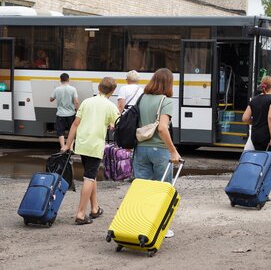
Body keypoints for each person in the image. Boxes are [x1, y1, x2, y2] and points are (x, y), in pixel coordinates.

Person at [61, 77, 120, 225]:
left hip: (82, 143)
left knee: (91, 175)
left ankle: (95, 208)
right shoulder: (110, 106)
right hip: (95, 145)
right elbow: (118, 125)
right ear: (112, 91)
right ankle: (80, 214)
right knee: (89, 177)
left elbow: (75, 124)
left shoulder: (87, 102)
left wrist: (68, 145)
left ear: (99, 88)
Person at [133, 68, 181, 237]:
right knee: (162, 191)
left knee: (141, 189)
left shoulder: (142, 98)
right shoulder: (165, 101)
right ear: (168, 83)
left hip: (141, 149)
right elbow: (162, 128)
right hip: (159, 151)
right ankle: (161, 228)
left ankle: (140, 224)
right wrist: (173, 151)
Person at [242, 75, 271, 166]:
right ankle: (270, 179)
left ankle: (259, 178)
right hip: (268, 136)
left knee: (261, 161)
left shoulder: (254, 100)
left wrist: (255, 122)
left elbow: (245, 118)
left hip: (255, 135)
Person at [50, 73, 80, 148]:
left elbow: (51, 99)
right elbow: (76, 101)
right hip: (71, 114)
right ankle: (70, 148)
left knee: (60, 132)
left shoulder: (57, 89)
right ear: (68, 79)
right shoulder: (73, 89)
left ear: (60, 80)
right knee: (71, 131)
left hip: (60, 114)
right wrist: (78, 110)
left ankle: (63, 147)